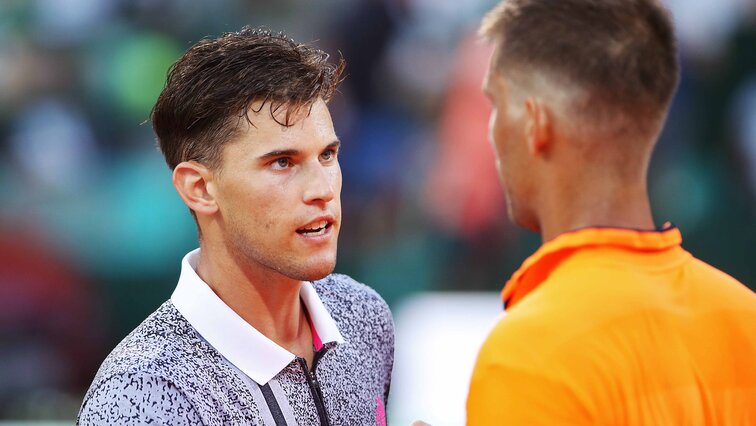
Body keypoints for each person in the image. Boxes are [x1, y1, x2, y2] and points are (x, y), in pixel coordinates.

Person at [78, 27, 394, 425]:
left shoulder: (364, 315)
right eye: (282, 162)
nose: (322, 189)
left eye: (328, 155)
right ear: (200, 189)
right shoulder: (142, 392)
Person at [467, 0, 756, 424]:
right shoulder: (745, 320)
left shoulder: (528, 356)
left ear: (536, 122)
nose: (491, 134)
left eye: (496, 104)